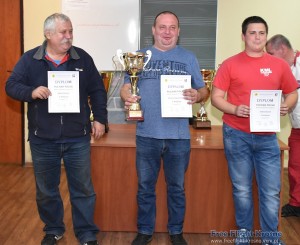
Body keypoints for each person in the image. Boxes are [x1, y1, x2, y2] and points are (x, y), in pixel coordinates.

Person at [5, 13, 107, 245]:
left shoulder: (83, 58)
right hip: (43, 139)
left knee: (82, 188)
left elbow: (98, 91)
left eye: (70, 31)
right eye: (63, 32)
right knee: (46, 190)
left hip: (77, 137)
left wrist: (100, 118)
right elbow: (11, 86)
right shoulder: (30, 59)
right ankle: (53, 229)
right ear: (48, 34)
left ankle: (86, 232)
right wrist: (31, 92)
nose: (69, 36)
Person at [120, 11, 208, 245]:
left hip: (179, 137)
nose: (167, 32)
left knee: (177, 188)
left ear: (179, 31)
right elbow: (126, 88)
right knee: (145, 188)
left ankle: (176, 231)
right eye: (162, 27)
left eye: (172, 27)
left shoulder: (189, 57)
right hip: (147, 134)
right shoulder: (138, 57)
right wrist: (128, 96)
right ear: (153, 30)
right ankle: (145, 231)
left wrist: (197, 94)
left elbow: (203, 90)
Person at [211, 16, 298, 245]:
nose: (257, 37)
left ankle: (270, 238)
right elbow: (216, 98)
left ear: (266, 36)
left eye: (261, 33)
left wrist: (286, 105)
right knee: (242, 190)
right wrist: (234, 109)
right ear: (243, 36)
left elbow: (292, 93)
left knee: (270, 192)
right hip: (236, 135)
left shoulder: (279, 65)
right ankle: (244, 233)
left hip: (267, 138)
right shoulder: (230, 64)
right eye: (252, 33)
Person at [266, 34, 300, 217]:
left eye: (270, 53)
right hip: (296, 127)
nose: (268, 57)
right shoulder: (277, 70)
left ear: (282, 49)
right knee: (295, 167)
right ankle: (296, 204)